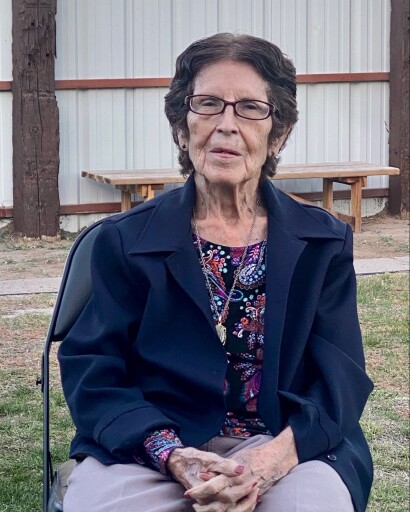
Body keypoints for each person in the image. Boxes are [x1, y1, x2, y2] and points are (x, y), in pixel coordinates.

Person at [59, 33, 374, 512]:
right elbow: (93, 370)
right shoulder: (123, 240)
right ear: (182, 128)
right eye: (208, 104)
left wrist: (270, 462)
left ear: (278, 133)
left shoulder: (323, 242)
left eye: (250, 108)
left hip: (285, 444)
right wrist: (172, 455)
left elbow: (340, 376)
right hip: (153, 447)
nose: (227, 125)